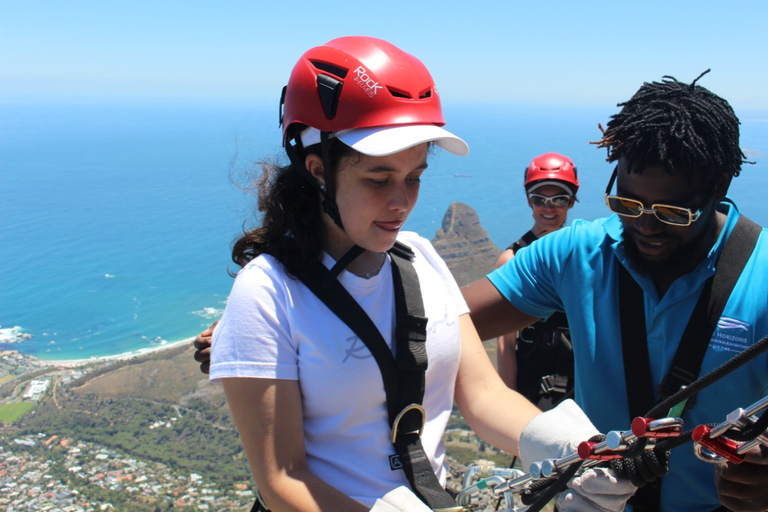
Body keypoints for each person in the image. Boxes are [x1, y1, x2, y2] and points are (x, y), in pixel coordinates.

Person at [198, 36, 636, 512]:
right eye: (378, 179)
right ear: (318, 169)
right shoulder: (268, 292)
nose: (401, 202)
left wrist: (577, 450)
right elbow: (282, 480)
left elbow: (482, 394)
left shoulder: (419, 259)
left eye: (415, 176)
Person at [463, 71, 768, 512]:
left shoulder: (758, 277)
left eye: (671, 213)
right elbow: (444, 321)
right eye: (627, 204)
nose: (645, 226)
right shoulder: (577, 254)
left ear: (718, 186)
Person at [495, 152, 578, 410]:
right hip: (533, 385)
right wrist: (508, 404)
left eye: (559, 199)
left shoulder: (583, 253)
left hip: (579, 381)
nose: (548, 207)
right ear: (529, 201)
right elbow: (505, 342)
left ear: (571, 201)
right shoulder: (512, 261)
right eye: (539, 199)